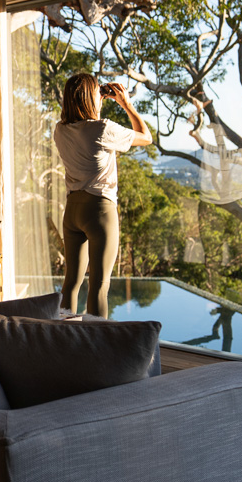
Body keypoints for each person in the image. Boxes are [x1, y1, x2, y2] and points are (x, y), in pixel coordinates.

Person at [53, 74, 152, 317]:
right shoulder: (102, 129)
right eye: (98, 92)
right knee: (99, 286)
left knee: (70, 284)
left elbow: (83, 120)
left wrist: (95, 97)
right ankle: (97, 346)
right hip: (99, 210)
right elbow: (146, 137)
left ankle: (62, 338)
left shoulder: (60, 130)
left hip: (72, 210)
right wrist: (126, 104)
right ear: (90, 97)